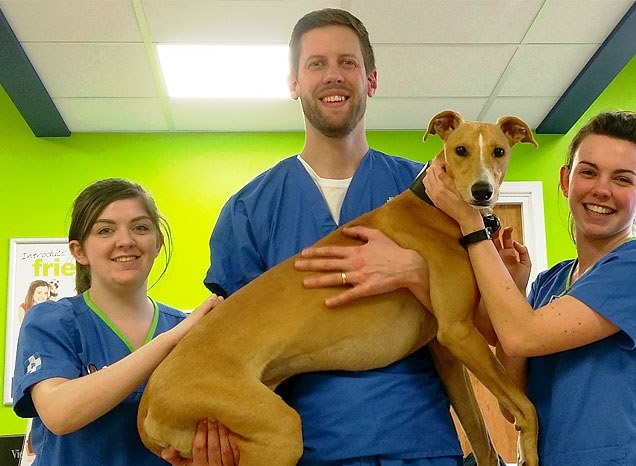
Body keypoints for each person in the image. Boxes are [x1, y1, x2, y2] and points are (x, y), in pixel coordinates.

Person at [204, 8, 464, 466]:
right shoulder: (249, 211)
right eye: (316, 64)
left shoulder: (430, 191)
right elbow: (232, 350)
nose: (333, 76)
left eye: (348, 63)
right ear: (293, 84)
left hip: (419, 444)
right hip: (306, 449)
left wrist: (414, 271)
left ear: (372, 80)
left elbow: (473, 325)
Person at [420, 110, 636, 465]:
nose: (601, 190)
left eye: (622, 179)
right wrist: (513, 285)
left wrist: (471, 221)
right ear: (565, 181)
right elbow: (511, 405)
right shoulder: (551, 283)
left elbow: (520, 335)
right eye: (588, 172)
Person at [12, 178, 235, 466]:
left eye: (140, 227)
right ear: (79, 251)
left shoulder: (191, 329)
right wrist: (171, 340)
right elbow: (59, 413)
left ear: (158, 243)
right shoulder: (51, 321)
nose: (126, 240)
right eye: (105, 230)